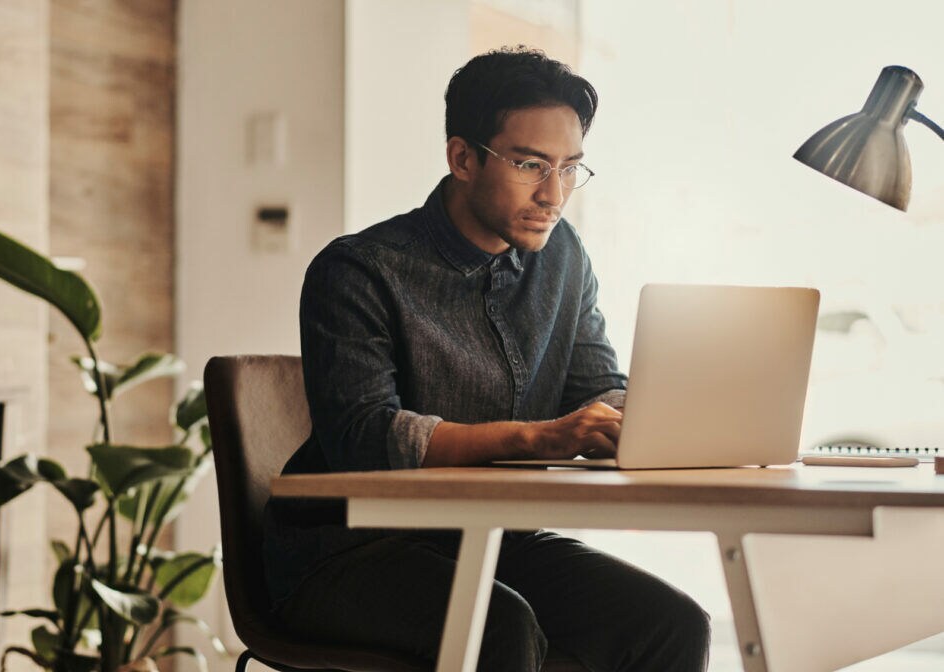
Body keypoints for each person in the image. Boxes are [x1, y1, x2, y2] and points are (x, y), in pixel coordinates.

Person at [261, 46, 711, 671]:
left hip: (493, 536)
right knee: (497, 627)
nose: (554, 194)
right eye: (530, 164)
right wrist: (540, 438)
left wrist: (647, 413)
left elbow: (595, 385)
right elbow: (366, 440)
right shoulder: (359, 269)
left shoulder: (562, 256)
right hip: (344, 552)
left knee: (669, 624)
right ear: (462, 157)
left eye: (570, 168)